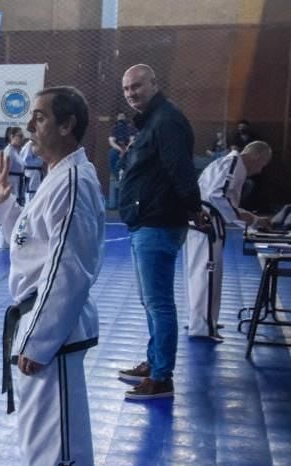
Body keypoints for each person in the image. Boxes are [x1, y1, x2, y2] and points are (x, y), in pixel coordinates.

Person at [0, 85, 102, 466]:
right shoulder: (56, 175)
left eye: (39, 117)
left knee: (57, 438)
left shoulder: (74, 180)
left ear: (67, 124)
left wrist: (37, 339)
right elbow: (33, 245)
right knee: (37, 432)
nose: (30, 126)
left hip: (50, 326)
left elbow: (68, 268)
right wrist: (3, 207)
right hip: (35, 317)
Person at [116, 64, 207, 401]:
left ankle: (161, 377)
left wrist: (194, 208)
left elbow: (180, 168)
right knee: (151, 301)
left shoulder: (167, 120)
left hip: (158, 222)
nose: (131, 93)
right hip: (147, 221)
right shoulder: (154, 121)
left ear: (155, 83)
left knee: (159, 304)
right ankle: (154, 361)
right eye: (126, 89)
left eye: (137, 86)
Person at [185, 141, 272, 341]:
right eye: (263, 164)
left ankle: (202, 319)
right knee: (206, 275)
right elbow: (218, 196)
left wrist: (252, 219)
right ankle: (203, 326)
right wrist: (240, 218)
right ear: (256, 156)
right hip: (207, 224)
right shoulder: (233, 164)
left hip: (205, 223)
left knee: (202, 274)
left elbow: (223, 201)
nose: (260, 170)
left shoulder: (230, 164)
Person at [108, 112, 132, 180]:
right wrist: (120, 149)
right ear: (117, 118)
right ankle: (116, 176)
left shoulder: (129, 127)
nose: (121, 117)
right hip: (117, 148)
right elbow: (111, 141)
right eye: (119, 116)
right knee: (112, 153)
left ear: (125, 117)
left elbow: (132, 139)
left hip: (128, 148)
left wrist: (127, 148)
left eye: (122, 116)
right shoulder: (115, 128)